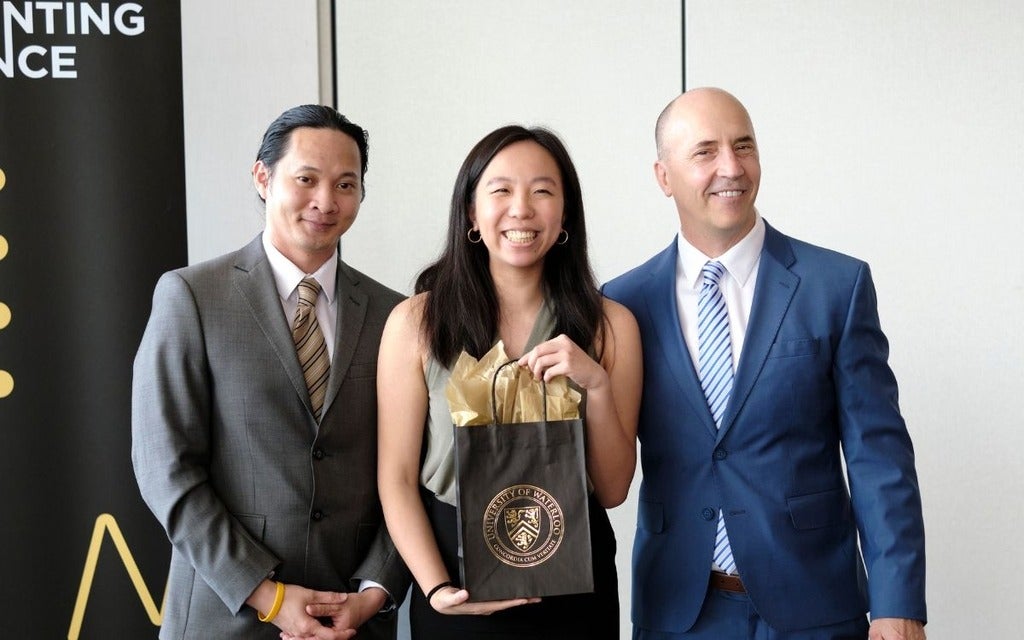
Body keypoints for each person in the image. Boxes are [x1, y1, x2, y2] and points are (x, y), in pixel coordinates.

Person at [603, 88, 927, 640]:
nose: (731, 167)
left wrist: (897, 604)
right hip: (679, 613)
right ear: (664, 176)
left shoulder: (836, 286)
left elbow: (879, 457)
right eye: (705, 151)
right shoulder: (622, 305)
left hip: (816, 608)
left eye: (744, 145)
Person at [131, 105, 408, 640]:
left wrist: (374, 590)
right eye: (306, 179)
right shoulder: (191, 297)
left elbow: (414, 471)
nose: (325, 201)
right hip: (223, 617)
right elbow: (165, 468)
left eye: (345, 184)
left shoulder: (394, 315)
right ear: (263, 177)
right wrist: (269, 595)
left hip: (352, 620)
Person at [372, 125, 642, 639]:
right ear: (471, 213)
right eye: (500, 191)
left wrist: (598, 386)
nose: (521, 209)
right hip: (455, 577)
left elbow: (611, 490)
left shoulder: (609, 326)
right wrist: (435, 589)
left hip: (573, 582)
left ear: (565, 215)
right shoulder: (416, 323)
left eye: (543, 191)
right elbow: (397, 478)